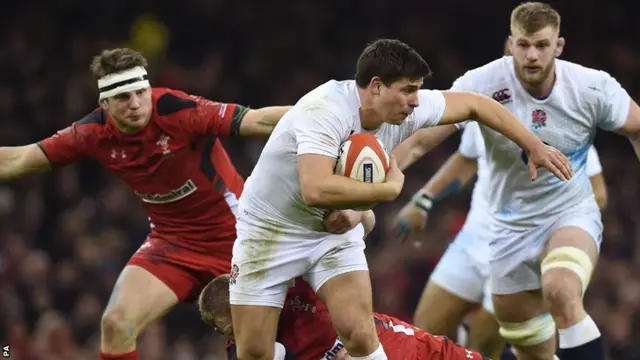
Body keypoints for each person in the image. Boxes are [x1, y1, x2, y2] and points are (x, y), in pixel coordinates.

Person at [229, 38, 572, 360]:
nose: (416, 101)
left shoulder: (406, 111)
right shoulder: (324, 110)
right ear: (376, 86)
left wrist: (533, 145)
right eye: (408, 90)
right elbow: (315, 188)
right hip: (269, 232)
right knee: (254, 353)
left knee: (359, 334)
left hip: (328, 233)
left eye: (418, 90)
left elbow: (476, 104)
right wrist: (385, 192)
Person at [0, 48, 291, 360]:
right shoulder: (92, 133)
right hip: (172, 245)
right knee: (115, 324)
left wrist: (332, 113)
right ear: (105, 104)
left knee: (259, 349)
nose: (136, 104)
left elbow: (258, 121)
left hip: (238, 241)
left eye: (141, 92)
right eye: (124, 97)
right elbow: (18, 160)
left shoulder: (180, 111)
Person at [391, 3, 640, 359]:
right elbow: (427, 141)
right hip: (503, 232)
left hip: (567, 216)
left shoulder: (591, 88)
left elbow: (636, 126)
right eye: (523, 45)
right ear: (511, 45)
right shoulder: (482, 86)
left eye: (541, 45)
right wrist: (385, 185)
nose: (532, 55)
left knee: (560, 290)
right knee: (514, 346)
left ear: (559, 46)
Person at [393, 122, 608, 360]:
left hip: (521, 252)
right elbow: (465, 161)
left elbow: (597, 193)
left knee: (483, 342)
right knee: (427, 331)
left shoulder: (565, 123)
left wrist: (554, 228)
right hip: (475, 238)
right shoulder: (490, 107)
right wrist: (423, 199)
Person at [199, 274, 489, 360]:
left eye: (234, 324)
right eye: (225, 331)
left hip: (383, 341)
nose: (234, 335)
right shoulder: (242, 352)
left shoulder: (290, 278)